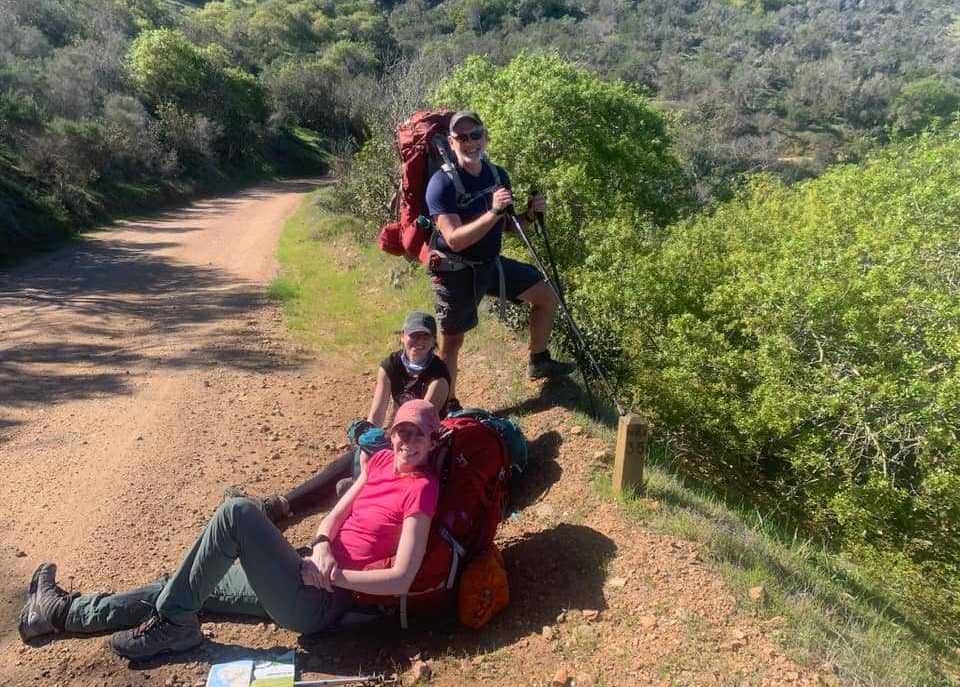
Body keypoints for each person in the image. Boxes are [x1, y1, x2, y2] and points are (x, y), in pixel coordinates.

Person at [18, 400, 442, 661]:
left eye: (417, 435)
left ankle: (174, 625)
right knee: (186, 584)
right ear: (392, 433)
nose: (407, 441)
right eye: (401, 430)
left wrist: (332, 575)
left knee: (237, 513)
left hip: (320, 602)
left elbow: (402, 577)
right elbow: (337, 511)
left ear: (432, 442)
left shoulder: (422, 490)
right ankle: (61, 615)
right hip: (302, 568)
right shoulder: (381, 461)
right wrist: (322, 545)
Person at [425, 110, 575, 406]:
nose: (470, 142)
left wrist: (529, 216)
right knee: (452, 342)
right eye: (462, 137)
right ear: (452, 143)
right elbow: (454, 239)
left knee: (547, 295)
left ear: (485, 136)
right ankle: (447, 405)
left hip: (490, 265)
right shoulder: (440, 184)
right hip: (454, 270)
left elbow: (509, 227)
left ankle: (539, 360)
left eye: (475, 135)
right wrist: (492, 212)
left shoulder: (497, 175)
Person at [252, 311, 450, 522]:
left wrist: (383, 450)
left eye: (425, 336)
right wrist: (369, 442)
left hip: (423, 444)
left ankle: (357, 488)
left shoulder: (438, 375)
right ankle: (283, 504)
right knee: (356, 455)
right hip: (397, 435)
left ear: (433, 341)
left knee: (387, 463)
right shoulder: (391, 365)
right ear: (402, 336)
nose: (418, 342)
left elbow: (421, 426)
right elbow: (376, 414)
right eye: (413, 335)